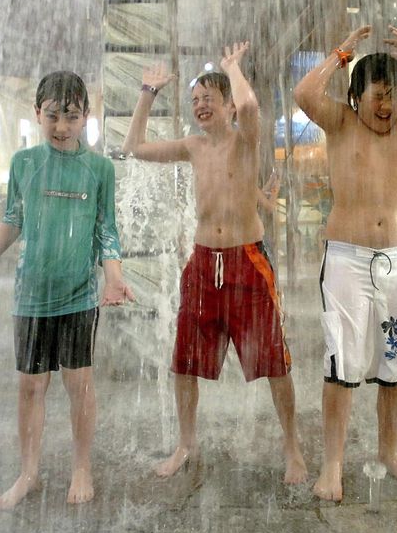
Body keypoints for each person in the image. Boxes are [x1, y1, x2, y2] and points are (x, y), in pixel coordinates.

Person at [0, 71, 135, 509]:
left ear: (87, 117)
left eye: (71, 117)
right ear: (37, 113)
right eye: (52, 116)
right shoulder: (25, 163)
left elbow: (107, 230)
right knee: (30, 386)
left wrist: (113, 276)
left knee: (80, 383)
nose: (61, 127)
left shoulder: (99, 169)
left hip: (78, 295)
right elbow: (13, 218)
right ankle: (28, 472)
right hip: (31, 294)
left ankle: (81, 467)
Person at [121, 43, 307, 485]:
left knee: (274, 363)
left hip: (247, 260)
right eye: (195, 101)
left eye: (209, 99)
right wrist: (147, 92)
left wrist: (232, 67)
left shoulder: (246, 140)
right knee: (184, 361)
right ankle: (186, 443)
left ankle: (292, 445)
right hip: (204, 263)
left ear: (226, 106)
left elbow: (249, 104)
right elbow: (135, 148)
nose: (200, 106)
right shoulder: (192, 146)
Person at [293, 25, 397, 500]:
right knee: (341, 363)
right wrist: (341, 52)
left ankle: (389, 454)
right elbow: (304, 92)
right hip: (346, 260)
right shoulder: (340, 122)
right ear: (354, 97)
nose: (386, 106)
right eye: (377, 97)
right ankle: (332, 465)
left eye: (394, 95)